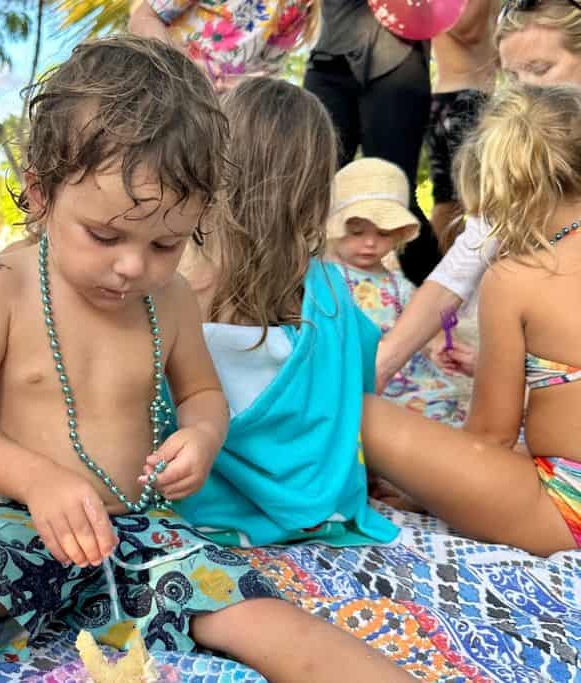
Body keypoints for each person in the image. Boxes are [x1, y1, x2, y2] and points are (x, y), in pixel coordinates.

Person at [0, 37, 411, 683]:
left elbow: (201, 394)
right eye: (104, 235)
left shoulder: (169, 299)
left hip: (142, 527)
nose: (132, 265)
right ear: (42, 192)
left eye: (166, 241)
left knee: (269, 618)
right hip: (12, 517)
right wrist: (34, 479)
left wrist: (200, 434)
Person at [171, 79, 401, 549]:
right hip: (318, 505)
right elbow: (356, 387)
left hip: (192, 504)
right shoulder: (331, 292)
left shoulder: (168, 284)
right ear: (317, 190)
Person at [363, 84, 581, 558]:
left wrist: (431, 491)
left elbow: (490, 437)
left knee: (360, 413)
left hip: (568, 508)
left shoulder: (519, 275)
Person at [376, 0, 581, 389]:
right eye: (514, 78)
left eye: (541, 70)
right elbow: (460, 268)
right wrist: (381, 368)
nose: (526, 94)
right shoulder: (520, 167)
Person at [303, 0, 440, 286]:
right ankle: (286, 301)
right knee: (311, 192)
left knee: (398, 195)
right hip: (329, 58)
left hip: (397, 58)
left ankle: (441, 309)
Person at [327, 158, 466, 427]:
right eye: (356, 232)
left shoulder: (398, 286)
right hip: (345, 376)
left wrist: (438, 344)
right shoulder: (321, 278)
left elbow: (426, 321)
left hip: (402, 378)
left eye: (382, 233)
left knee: (436, 412)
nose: (370, 243)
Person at [427, 0, 498, 252]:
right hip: (458, 100)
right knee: (463, 200)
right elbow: (467, 30)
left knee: (474, 198)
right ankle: (441, 276)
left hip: (481, 98)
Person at [128, 0, 319, 91]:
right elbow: (143, 19)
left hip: (220, 110)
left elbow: (267, 76)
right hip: (162, 81)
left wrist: (234, 86)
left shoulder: (296, 6)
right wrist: (182, 63)